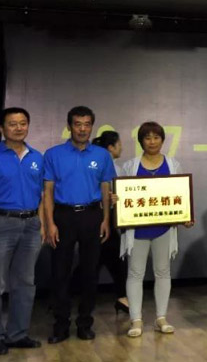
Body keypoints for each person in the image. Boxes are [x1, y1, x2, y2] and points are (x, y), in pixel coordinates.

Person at [43, 106, 115, 344]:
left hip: (92, 215)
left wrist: (106, 219)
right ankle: (61, 325)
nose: (82, 129)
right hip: (63, 216)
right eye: (77, 124)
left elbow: (105, 188)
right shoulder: (53, 154)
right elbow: (48, 191)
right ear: (69, 126)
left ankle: (85, 323)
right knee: (60, 272)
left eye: (87, 124)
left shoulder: (102, 155)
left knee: (90, 272)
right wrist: (50, 223)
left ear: (92, 126)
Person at [119, 122, 194, 337]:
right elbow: (123, 194)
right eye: (147, 138)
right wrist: (116, 198)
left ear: (162, 140)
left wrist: (186, 216)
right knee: (135, 274)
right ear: (141, 141)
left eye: (156, 137)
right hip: (137, 229)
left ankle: (161, 318)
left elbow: (181, 195)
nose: (152, 142)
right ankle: (136, 320)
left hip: (164, 228)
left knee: (163, 272)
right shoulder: (130, 166)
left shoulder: (173, 164)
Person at [0, 108, 44, 355]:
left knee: (25, 283)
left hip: (31, 225)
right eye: (12, 124)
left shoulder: (37, 157)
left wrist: (42, 223)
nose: (19, 128)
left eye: (23, 123)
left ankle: (18, 334)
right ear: (1, 129)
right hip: (0, 223)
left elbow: (42, 194)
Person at [79, 131, 128, 314]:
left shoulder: (114, 167)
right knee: (107, 260)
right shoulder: (109, 167)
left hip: (106, 217)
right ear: (111, 147)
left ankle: (122, 297)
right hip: (99, 217)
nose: (121, 148)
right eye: (119, 144)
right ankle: (122, 297)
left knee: (103, 259)